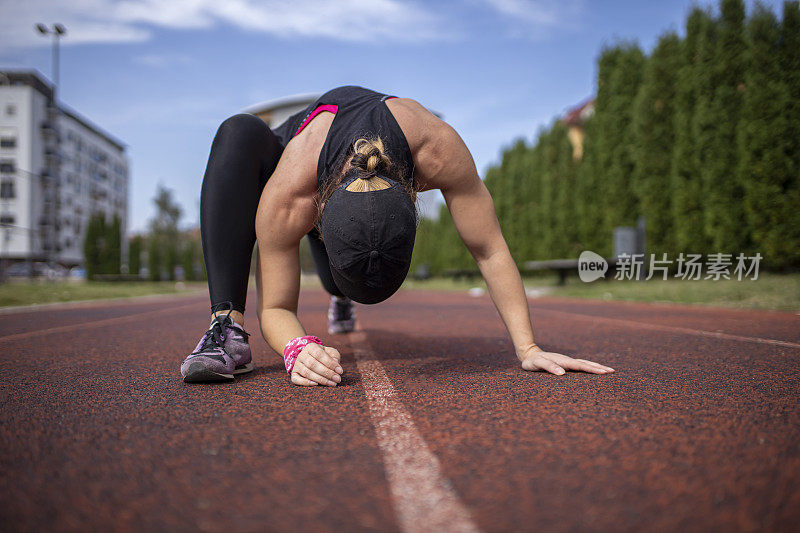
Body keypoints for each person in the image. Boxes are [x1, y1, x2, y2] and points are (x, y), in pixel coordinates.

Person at [181, 86, 615, 384]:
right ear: (319, 215)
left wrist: (529, 347)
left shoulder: (437, 148)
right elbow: (275, 305)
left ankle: (340, 294)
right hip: (291, 151)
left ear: (413, 198)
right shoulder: (291, 189)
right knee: (237, 132)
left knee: (340, 286)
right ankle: (226, 328)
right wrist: (295, 347)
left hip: (340, 179)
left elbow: (489, 248)